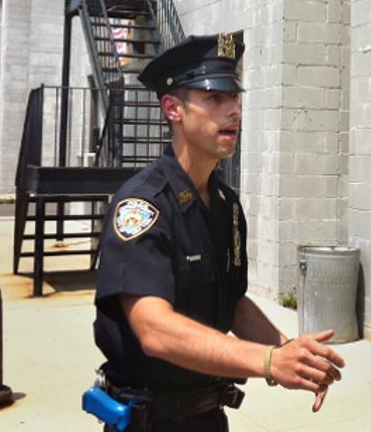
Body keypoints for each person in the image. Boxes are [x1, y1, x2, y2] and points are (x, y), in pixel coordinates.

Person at [94, 34, 345, 432]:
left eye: (235, 98)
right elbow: (153, 329)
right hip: (148, 422)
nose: (234, 111)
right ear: (173, 108)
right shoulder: (143, 206)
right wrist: (266, 363)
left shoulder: (225, 205)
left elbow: (232, 302)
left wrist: (289, 352)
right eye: (215, 98)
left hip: (209, 418)